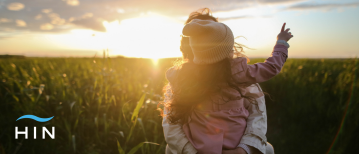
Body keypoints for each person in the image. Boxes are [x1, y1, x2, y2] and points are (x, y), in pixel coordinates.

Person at [161, 8, 293, 154]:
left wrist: (242, 150)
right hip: (198, 149)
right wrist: (281, 43)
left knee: (268, 149)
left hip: (221, 147)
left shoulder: (181, 76)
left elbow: (257, 116)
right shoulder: (240, 72)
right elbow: (172, 127)